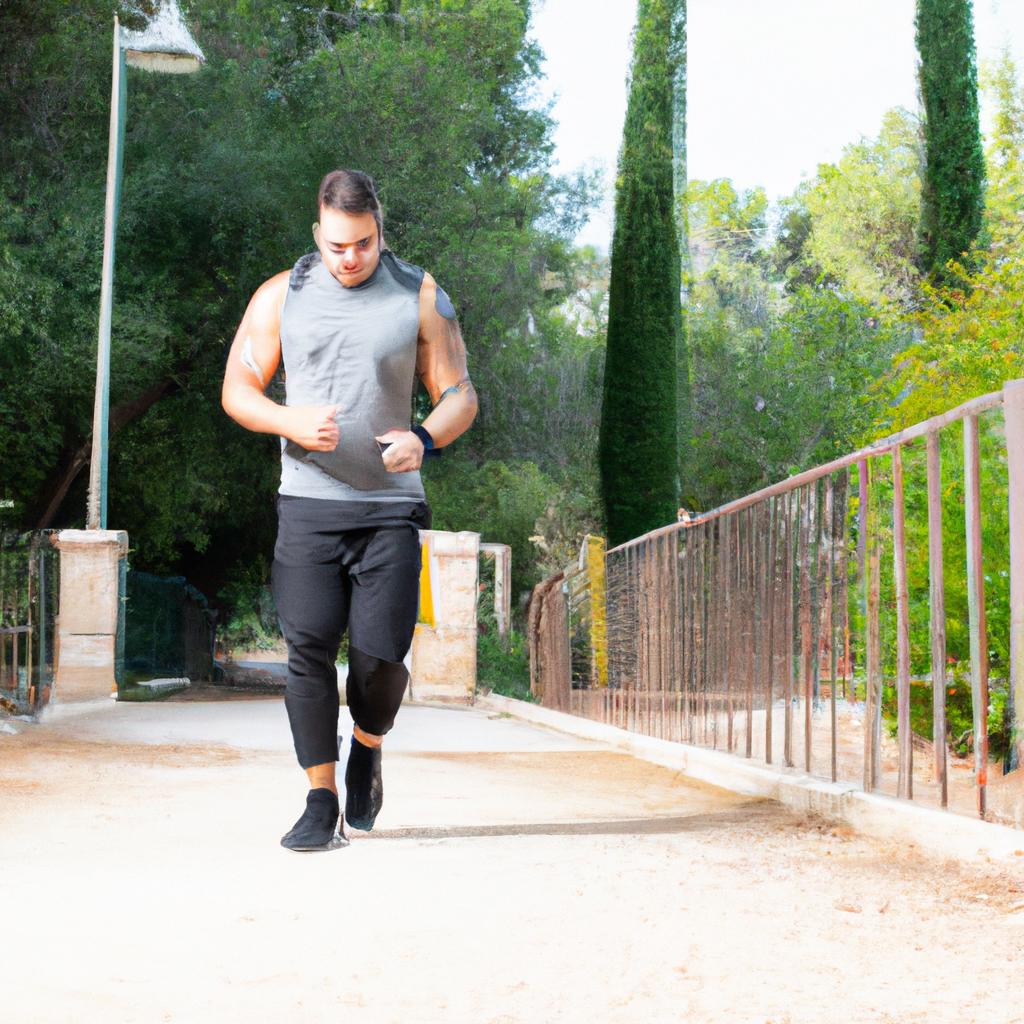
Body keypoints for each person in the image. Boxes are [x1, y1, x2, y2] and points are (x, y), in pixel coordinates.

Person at [221, 169, 478, 851]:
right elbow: (239, 388)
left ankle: (369, 740)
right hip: (307, 504)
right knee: (305, 649)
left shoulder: (420, 296)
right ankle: (318, 799)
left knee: (378, 658)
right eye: (337, 246)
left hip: (390, 510)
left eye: (362, 243)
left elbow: (460, 395)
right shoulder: (282, 296)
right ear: (318, 234)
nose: (349, 258)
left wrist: (423, 438)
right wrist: (288, 421)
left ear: (378, 230)